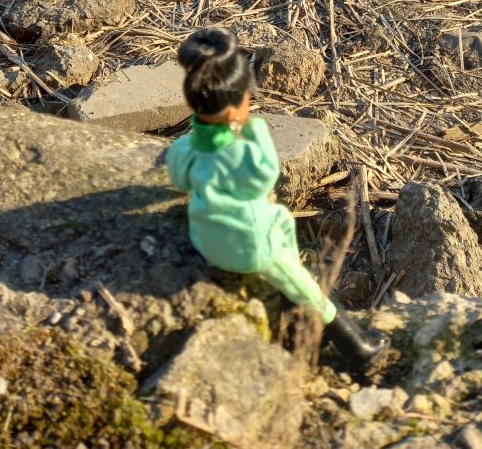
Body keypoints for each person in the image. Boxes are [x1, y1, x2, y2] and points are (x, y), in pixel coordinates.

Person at [165, 27, 387, 374]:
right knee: (309, 288)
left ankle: (290, 307)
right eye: (246, 99)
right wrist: (253, 130)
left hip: (205, 240)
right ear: (234, 109)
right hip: (249, 248)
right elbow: (266, 177)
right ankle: (359, 350)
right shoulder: (245, 151)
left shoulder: (184, 149)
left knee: (282, 229)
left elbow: (179, 181)